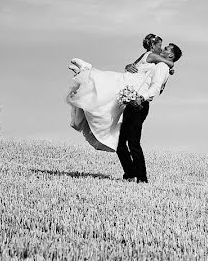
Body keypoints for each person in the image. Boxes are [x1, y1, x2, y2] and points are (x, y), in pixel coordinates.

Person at [65, 34, 176, 154]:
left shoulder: (149, 56)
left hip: (129, 82)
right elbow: (170, 63)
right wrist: (170, 67)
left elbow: (135, 65)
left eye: (164, 48)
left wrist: (129, 66)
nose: (161, 49)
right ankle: (87, 70)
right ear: (153, 46)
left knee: (104, 94)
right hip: (129, 82)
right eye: (160, 46)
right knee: (103, 84)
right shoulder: (153, 55)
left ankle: (84, 73)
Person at [118, 42, 182, 183]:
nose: (163, 49)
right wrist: (129, 67)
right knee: (122, 142)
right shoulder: (159, 65)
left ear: (170, 55)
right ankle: (130, 174)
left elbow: (156, 87)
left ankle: (141, 178)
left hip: (140, 104)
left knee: (133, 142)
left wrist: (142, 98)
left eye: (166, 48)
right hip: (134, 101)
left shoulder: (162, 67)